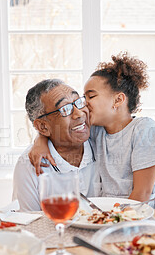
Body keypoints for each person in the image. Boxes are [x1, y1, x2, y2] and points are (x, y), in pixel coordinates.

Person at [29, 52, 155, 208]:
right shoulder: (97, 131)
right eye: (83, 98)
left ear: (118, 100)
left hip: (138, 215)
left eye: (91, 96)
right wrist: (40, 140)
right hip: (110, 214)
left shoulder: (144, 128)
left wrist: (115, 221)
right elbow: (63, 130)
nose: (84, 104)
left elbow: (142, 194)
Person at [12, 79, 99, 211]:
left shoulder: (102, 139)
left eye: (79, 102)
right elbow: (28, 223)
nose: (79, 113)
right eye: (65, 109)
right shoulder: (29, 165)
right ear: (43, 126)